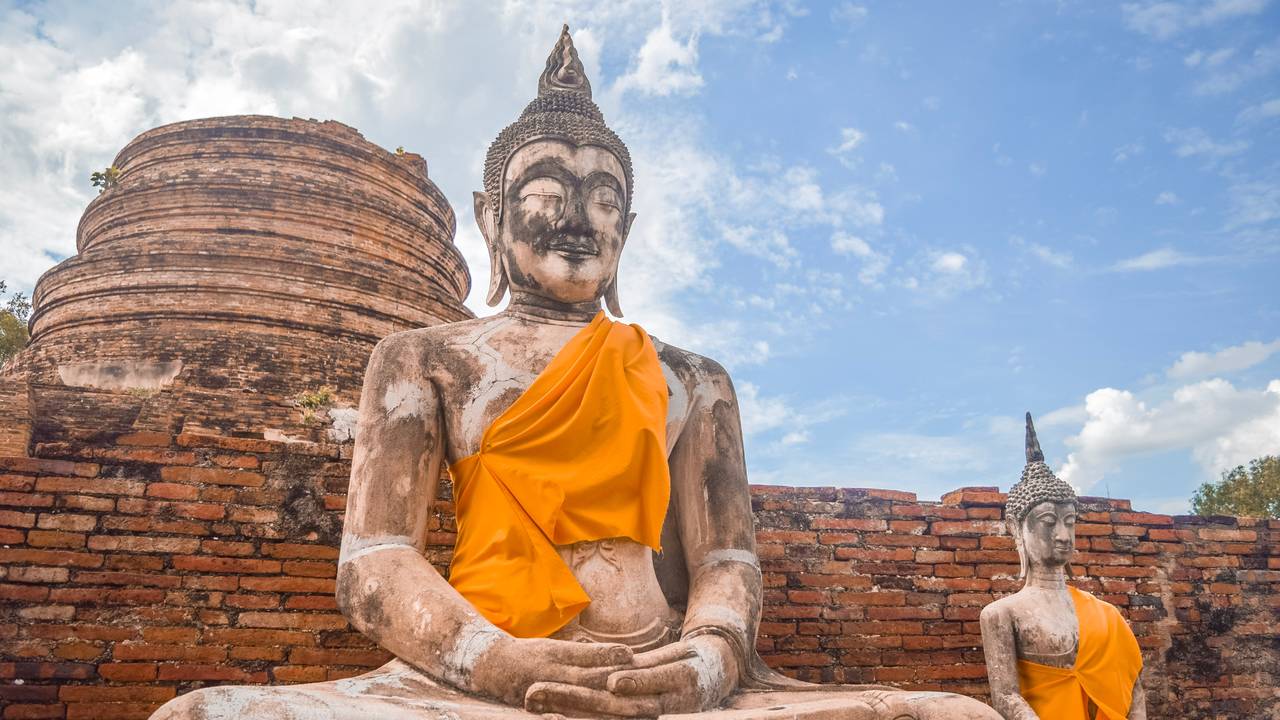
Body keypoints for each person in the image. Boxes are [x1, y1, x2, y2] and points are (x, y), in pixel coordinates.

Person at [153, 26, 999, 720]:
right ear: (492, 214)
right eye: (548, 184)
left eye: (603, 196)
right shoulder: (425, 357)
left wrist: (708, 658)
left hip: (659, 665)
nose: (577, 217)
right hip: (475, 669)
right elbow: (374, 561)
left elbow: (727, 562)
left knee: (954, 717)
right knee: (196, 716)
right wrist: (496, 662)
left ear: (628, 223)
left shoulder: (693, 379)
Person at [979, 414, 1146, 720]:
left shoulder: (1106, 614)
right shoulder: (1001, 614)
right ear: (1017, 529)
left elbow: (1133, 686)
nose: (1062, 535)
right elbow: (1005, 695)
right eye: (1048, 522)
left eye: (1070, 523)